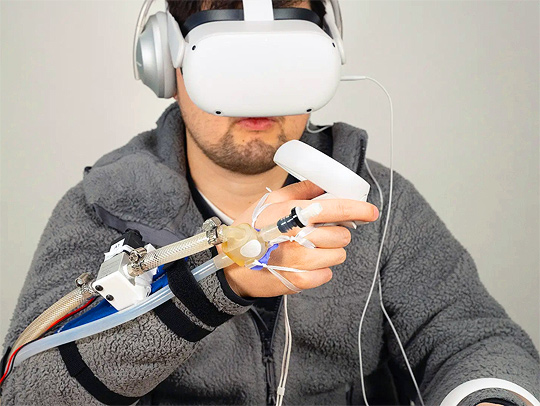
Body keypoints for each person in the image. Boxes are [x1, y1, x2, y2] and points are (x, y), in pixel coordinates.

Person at [1, 0, 539, 405]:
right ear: (167, 65)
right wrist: (221, 284)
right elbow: (27, 390)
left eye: (282, 60)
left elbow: (469, 332)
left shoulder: (378, 201)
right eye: (231, 63)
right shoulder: (104, 207)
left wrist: (491, 398)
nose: (258, 94)